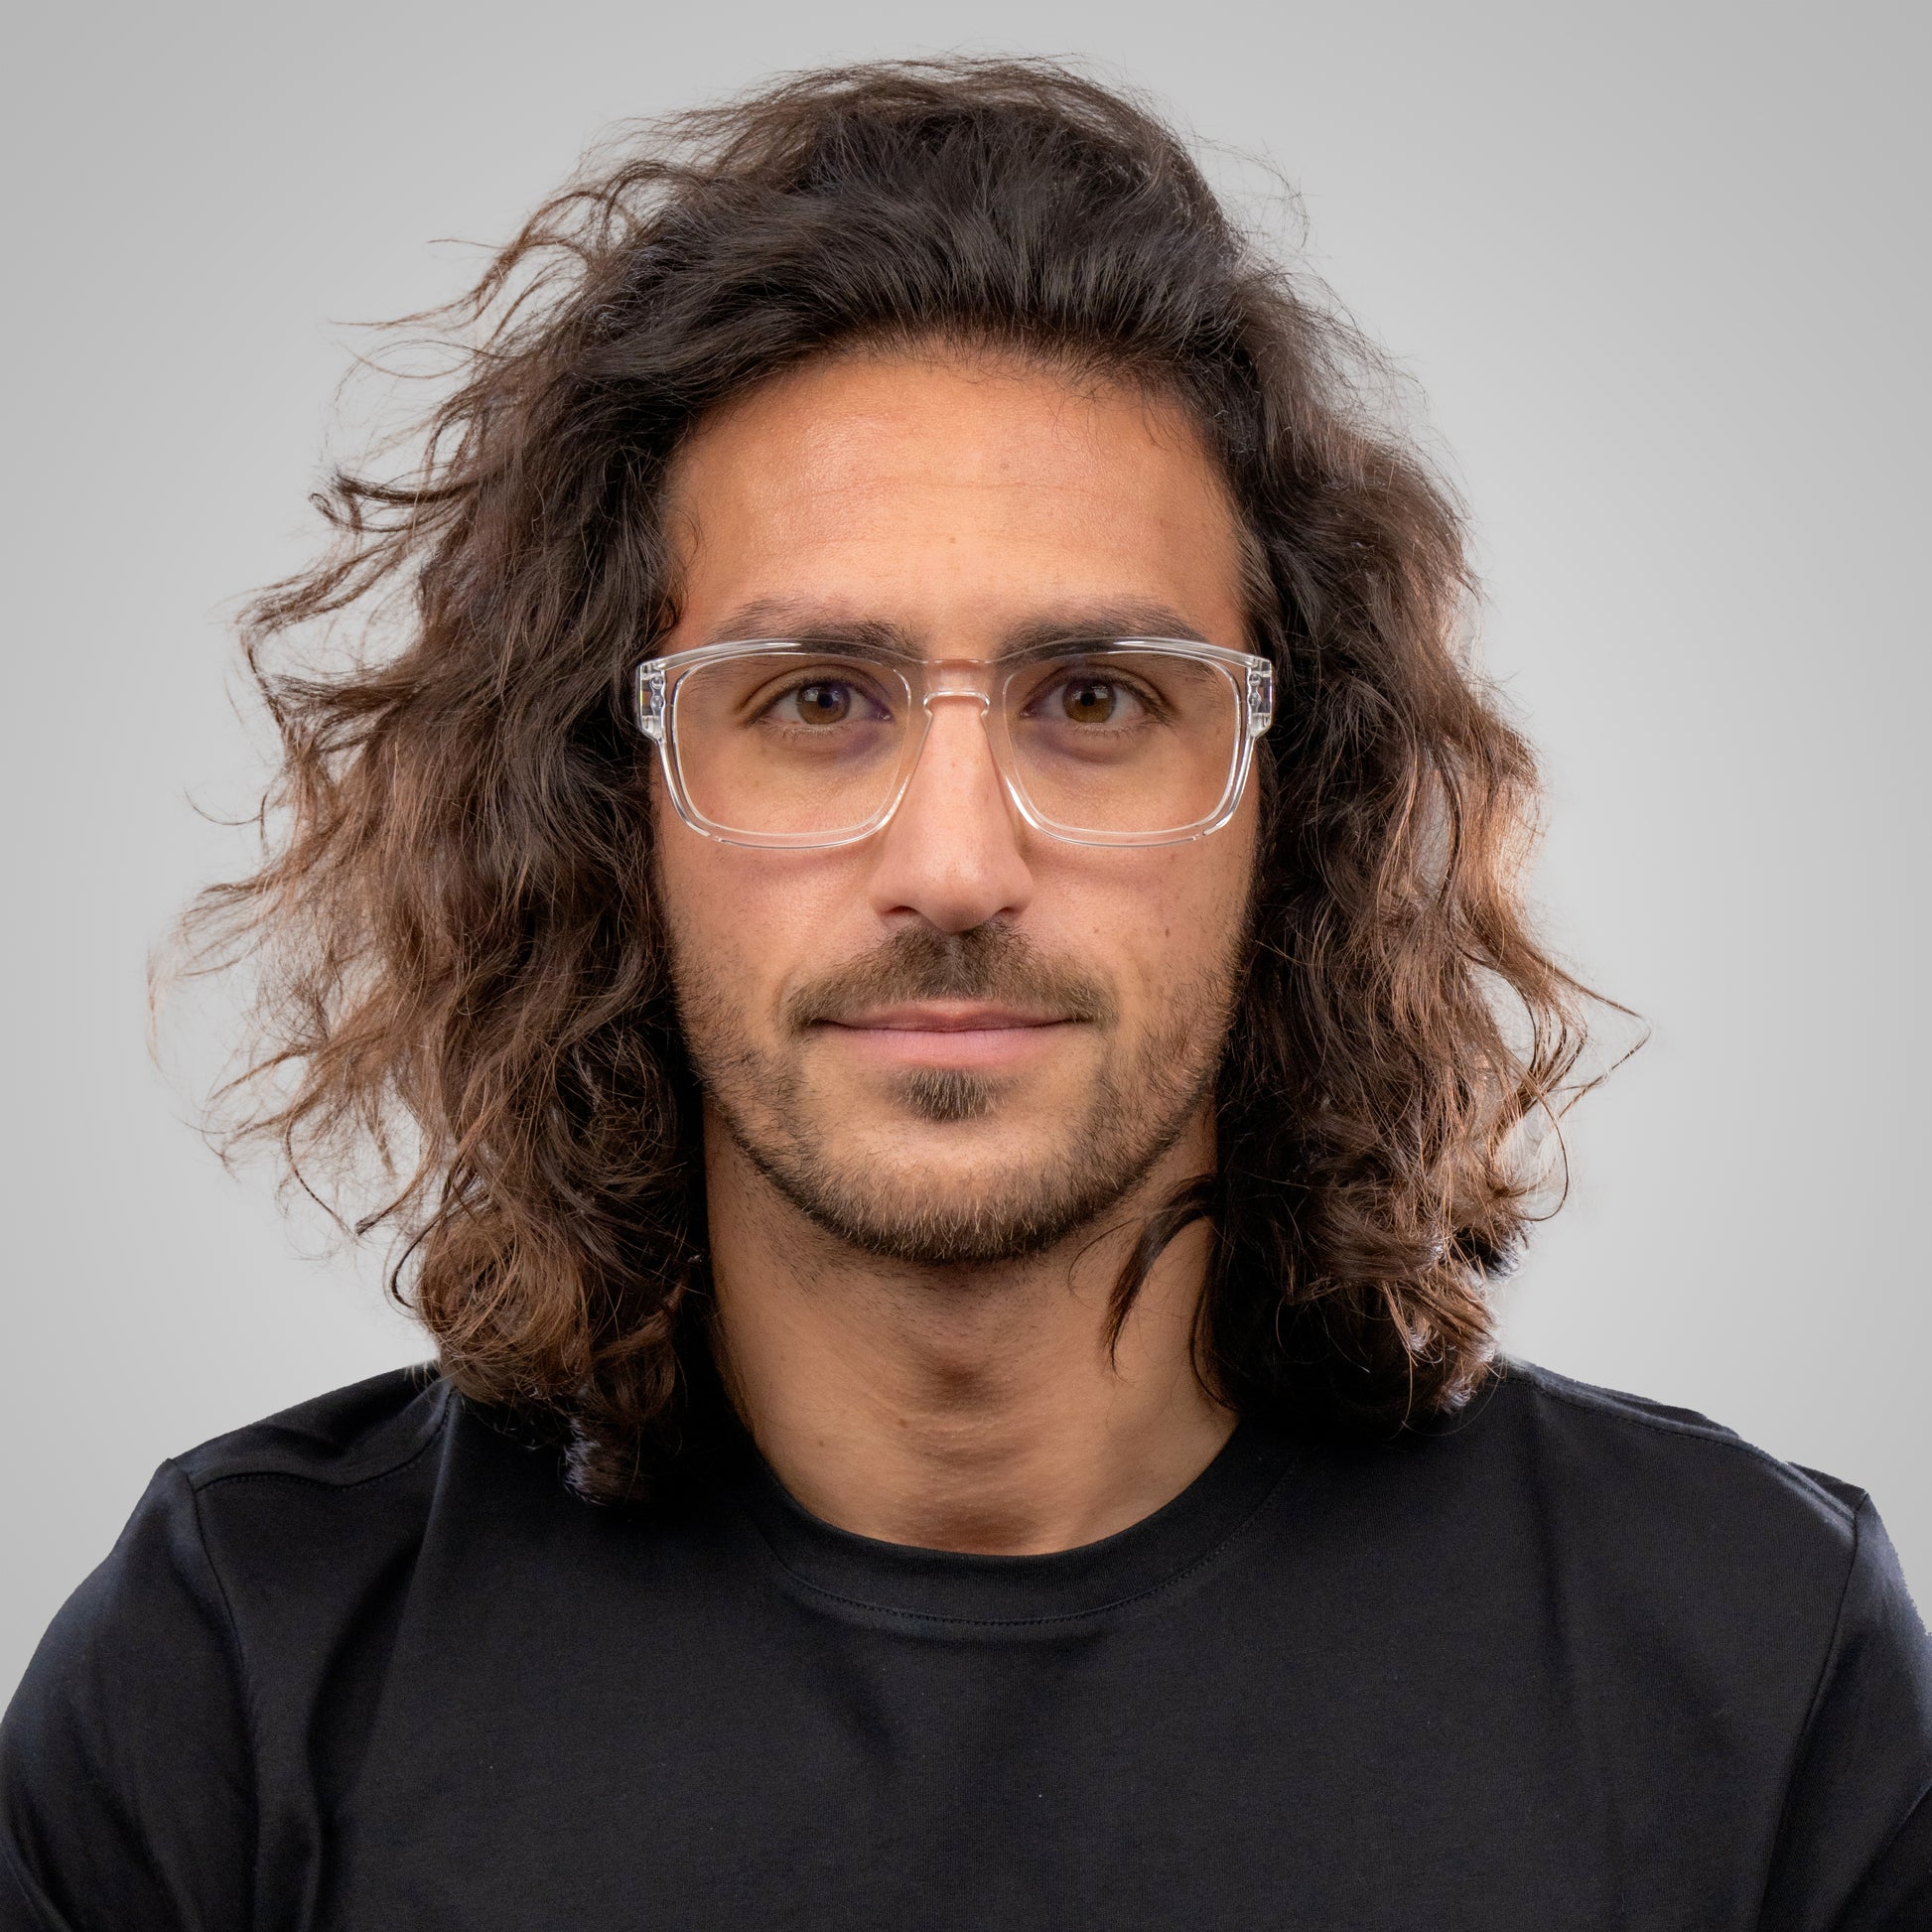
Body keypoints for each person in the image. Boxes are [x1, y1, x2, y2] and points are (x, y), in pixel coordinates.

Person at [2, 57, 1927, 1931]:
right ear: (610, 803)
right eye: (810, 701)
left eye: (1095, 699)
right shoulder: (239, 1675)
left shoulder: (1753, 1672)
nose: (951, 861)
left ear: (1296, 802)